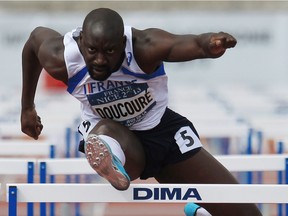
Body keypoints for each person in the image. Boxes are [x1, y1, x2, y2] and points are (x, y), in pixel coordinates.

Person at [20, 8, 262, 216]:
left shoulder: (143, 48)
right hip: (115, 138)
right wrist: (27, 107)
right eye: (92, 50)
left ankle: (203, 212)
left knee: (247, 212)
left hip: (160, 131)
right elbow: (33, 41)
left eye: (110, 52)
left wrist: (209, 44)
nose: (100, 60)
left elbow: (190, 44)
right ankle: (107, 155)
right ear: (81, 40)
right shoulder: (62, 58)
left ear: (123, 45)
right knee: (105, 130)